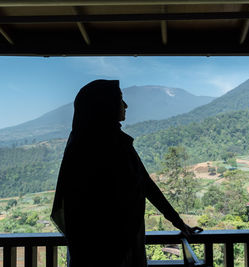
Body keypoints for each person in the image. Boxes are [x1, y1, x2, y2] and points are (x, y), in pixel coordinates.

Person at [51, 79, 202, 267]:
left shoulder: (83, 147)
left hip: (95, 249)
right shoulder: (115, 146)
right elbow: (146, 185)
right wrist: (178, 222)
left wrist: (178, 222)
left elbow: (146, 185)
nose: (126, 105)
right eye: (120, 99)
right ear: (104, 105)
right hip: (114, 249)